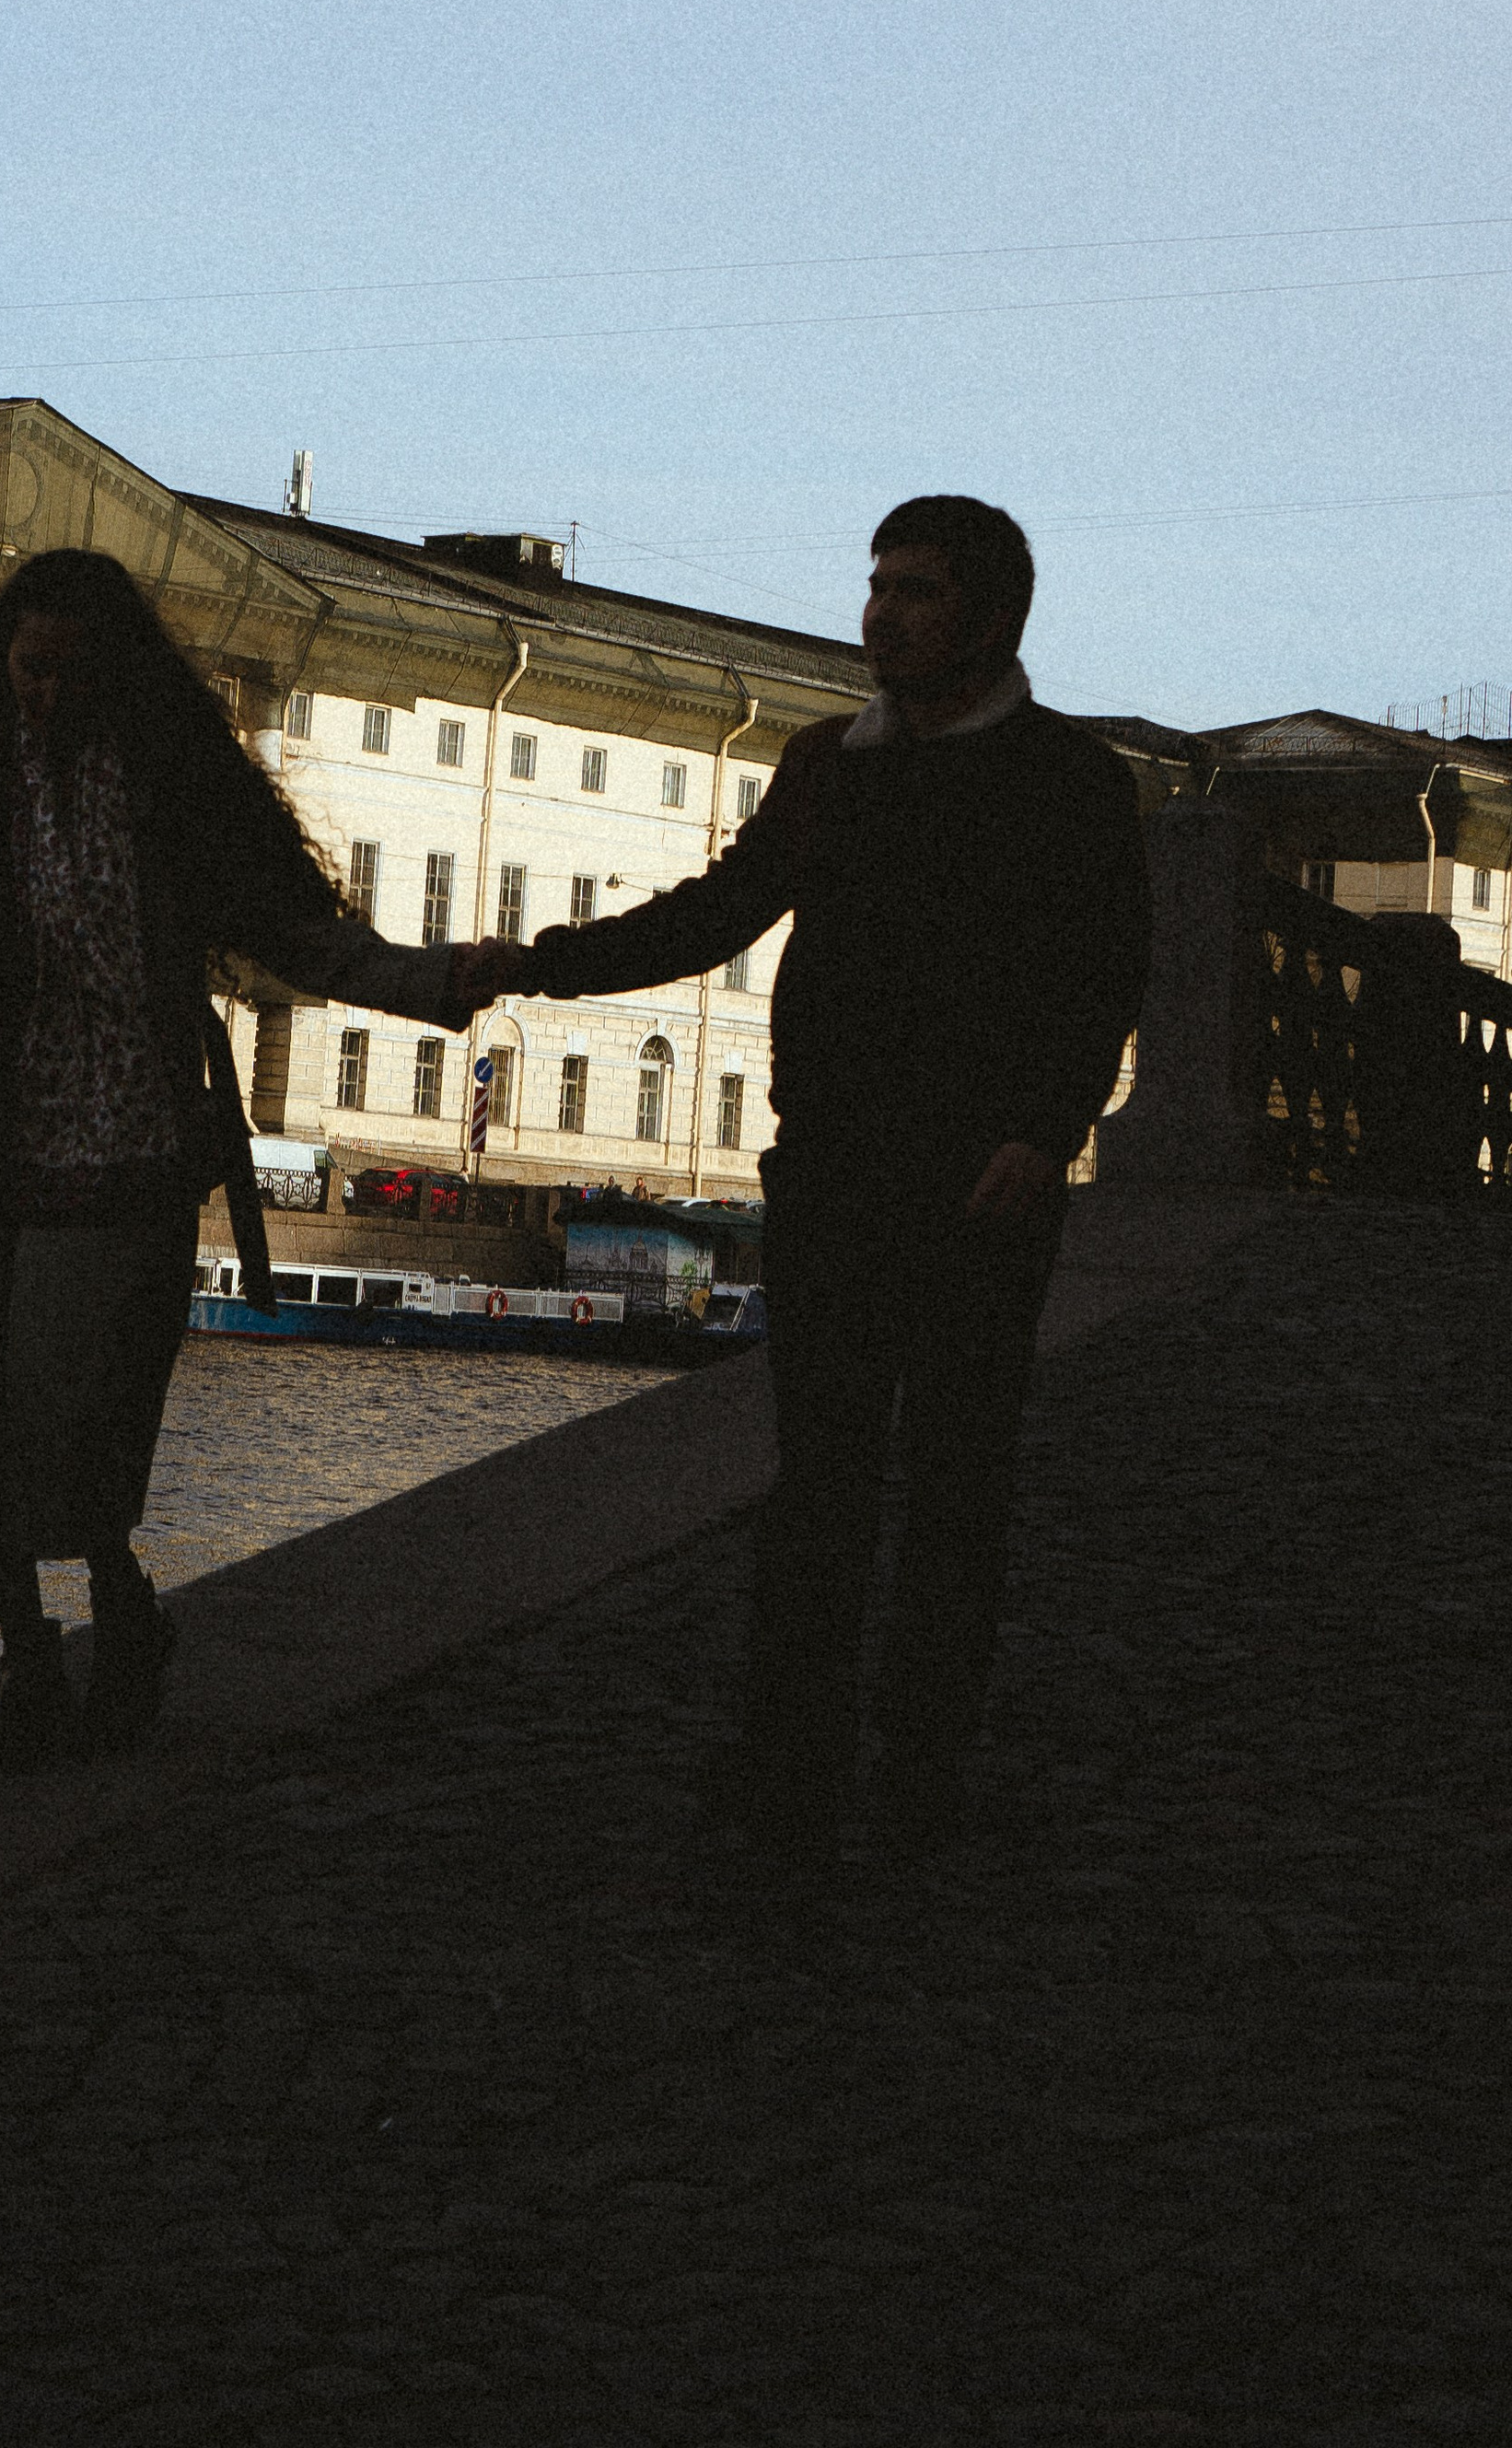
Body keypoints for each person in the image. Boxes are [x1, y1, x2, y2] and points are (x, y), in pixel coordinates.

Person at [451, 496, 1147, 1886]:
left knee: (956, 1484)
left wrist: (1043, 1129)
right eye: (878, 583)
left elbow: (1103, 970)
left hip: (980, 1189)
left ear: (991, 618)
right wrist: (533, 964)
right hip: (831, 1170)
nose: (882, 612)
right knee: (819, 1480)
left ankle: (923, 1765)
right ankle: (792, 1761)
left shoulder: (1067, 779)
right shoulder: (828, 763)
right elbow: (716, 914)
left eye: (919, 591)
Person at [0, 551, 468, 1774]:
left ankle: (121, 1611)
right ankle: (34, 1663)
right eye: (28, 668)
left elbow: (297, 935)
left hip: (131, 1148)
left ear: (118, 677)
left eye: (70, 673)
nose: (44, 695)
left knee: (76, 1426)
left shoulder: (167, 788)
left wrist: (436, 982)